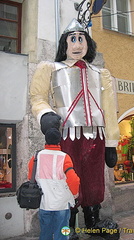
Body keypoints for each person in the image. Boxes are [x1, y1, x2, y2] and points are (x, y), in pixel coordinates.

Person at [30, 18, 120, 239]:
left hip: (96, 135)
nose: (78, 45)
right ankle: (67, 226)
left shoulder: (101, 74)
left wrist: (111, 143)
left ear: (88, 43)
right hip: (66, 135)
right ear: (65, 44)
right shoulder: (51, 68)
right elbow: (37, 97)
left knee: (94, 180)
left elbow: (109, 107)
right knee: (66, 180)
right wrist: (45, 114)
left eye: (82, 39)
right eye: (73, 39)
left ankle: (92, 222)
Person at [28, 128, 80, 240]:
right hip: (62, 204)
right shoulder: (64, 157)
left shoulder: (36, 157)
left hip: (44, 203)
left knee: (45, 233)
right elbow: (74, 179)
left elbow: (30, 177)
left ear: (45, 140)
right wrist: (75, 194)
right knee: (62, 233)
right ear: (59, 141)